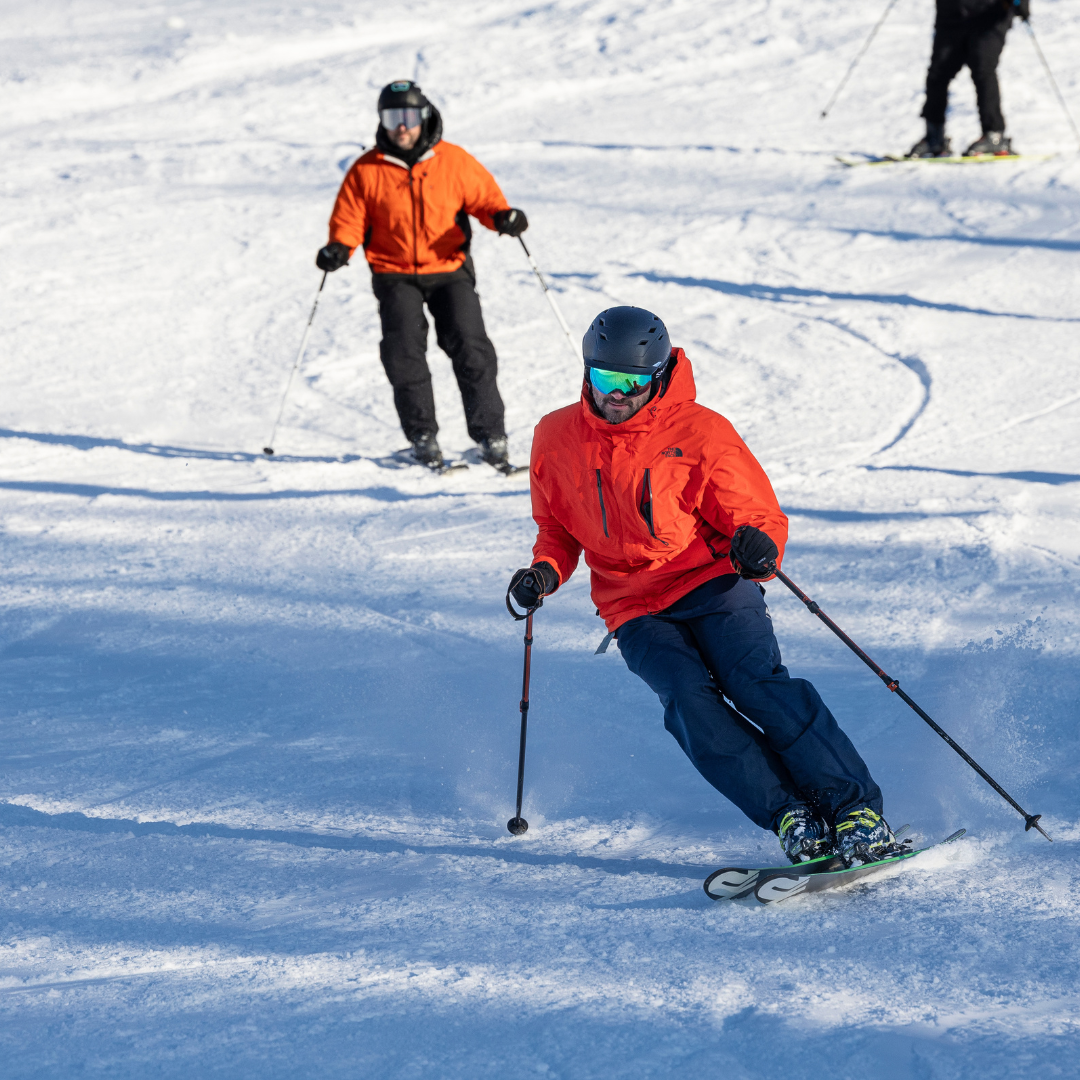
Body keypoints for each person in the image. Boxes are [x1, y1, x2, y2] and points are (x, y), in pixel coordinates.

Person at [507, 306, 899, 867]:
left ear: (659, 375)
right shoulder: (555, 436)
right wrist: (544, 572)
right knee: (690, 705)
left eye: (631, 382)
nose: (616, 395)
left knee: (756, 685)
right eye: (603, 379)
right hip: (632, 604)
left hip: (712, 579)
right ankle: (790, 814)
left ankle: (855, 809)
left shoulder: (699, 432)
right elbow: (558, 529)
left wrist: (758, 544)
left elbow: (755, 513)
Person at [315, 81, 528, 471]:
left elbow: (485, 200)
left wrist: (503, 217)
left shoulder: (454, 161)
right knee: (404, 354)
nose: (401, 126)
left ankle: (491, 435)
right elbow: (350, 219)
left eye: (409, 116)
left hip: (449, 270)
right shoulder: (367, 169)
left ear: (424, 115)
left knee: (471, 347)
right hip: (394, 274)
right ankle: (422, 436)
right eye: (392, 117)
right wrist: (339, 248)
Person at [908, 0, 1029, 158]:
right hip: (952, 15)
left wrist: (1021, 5)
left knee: (983, 70)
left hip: (990, 15)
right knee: (937, 75)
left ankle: (994, 136)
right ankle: (934, 137)